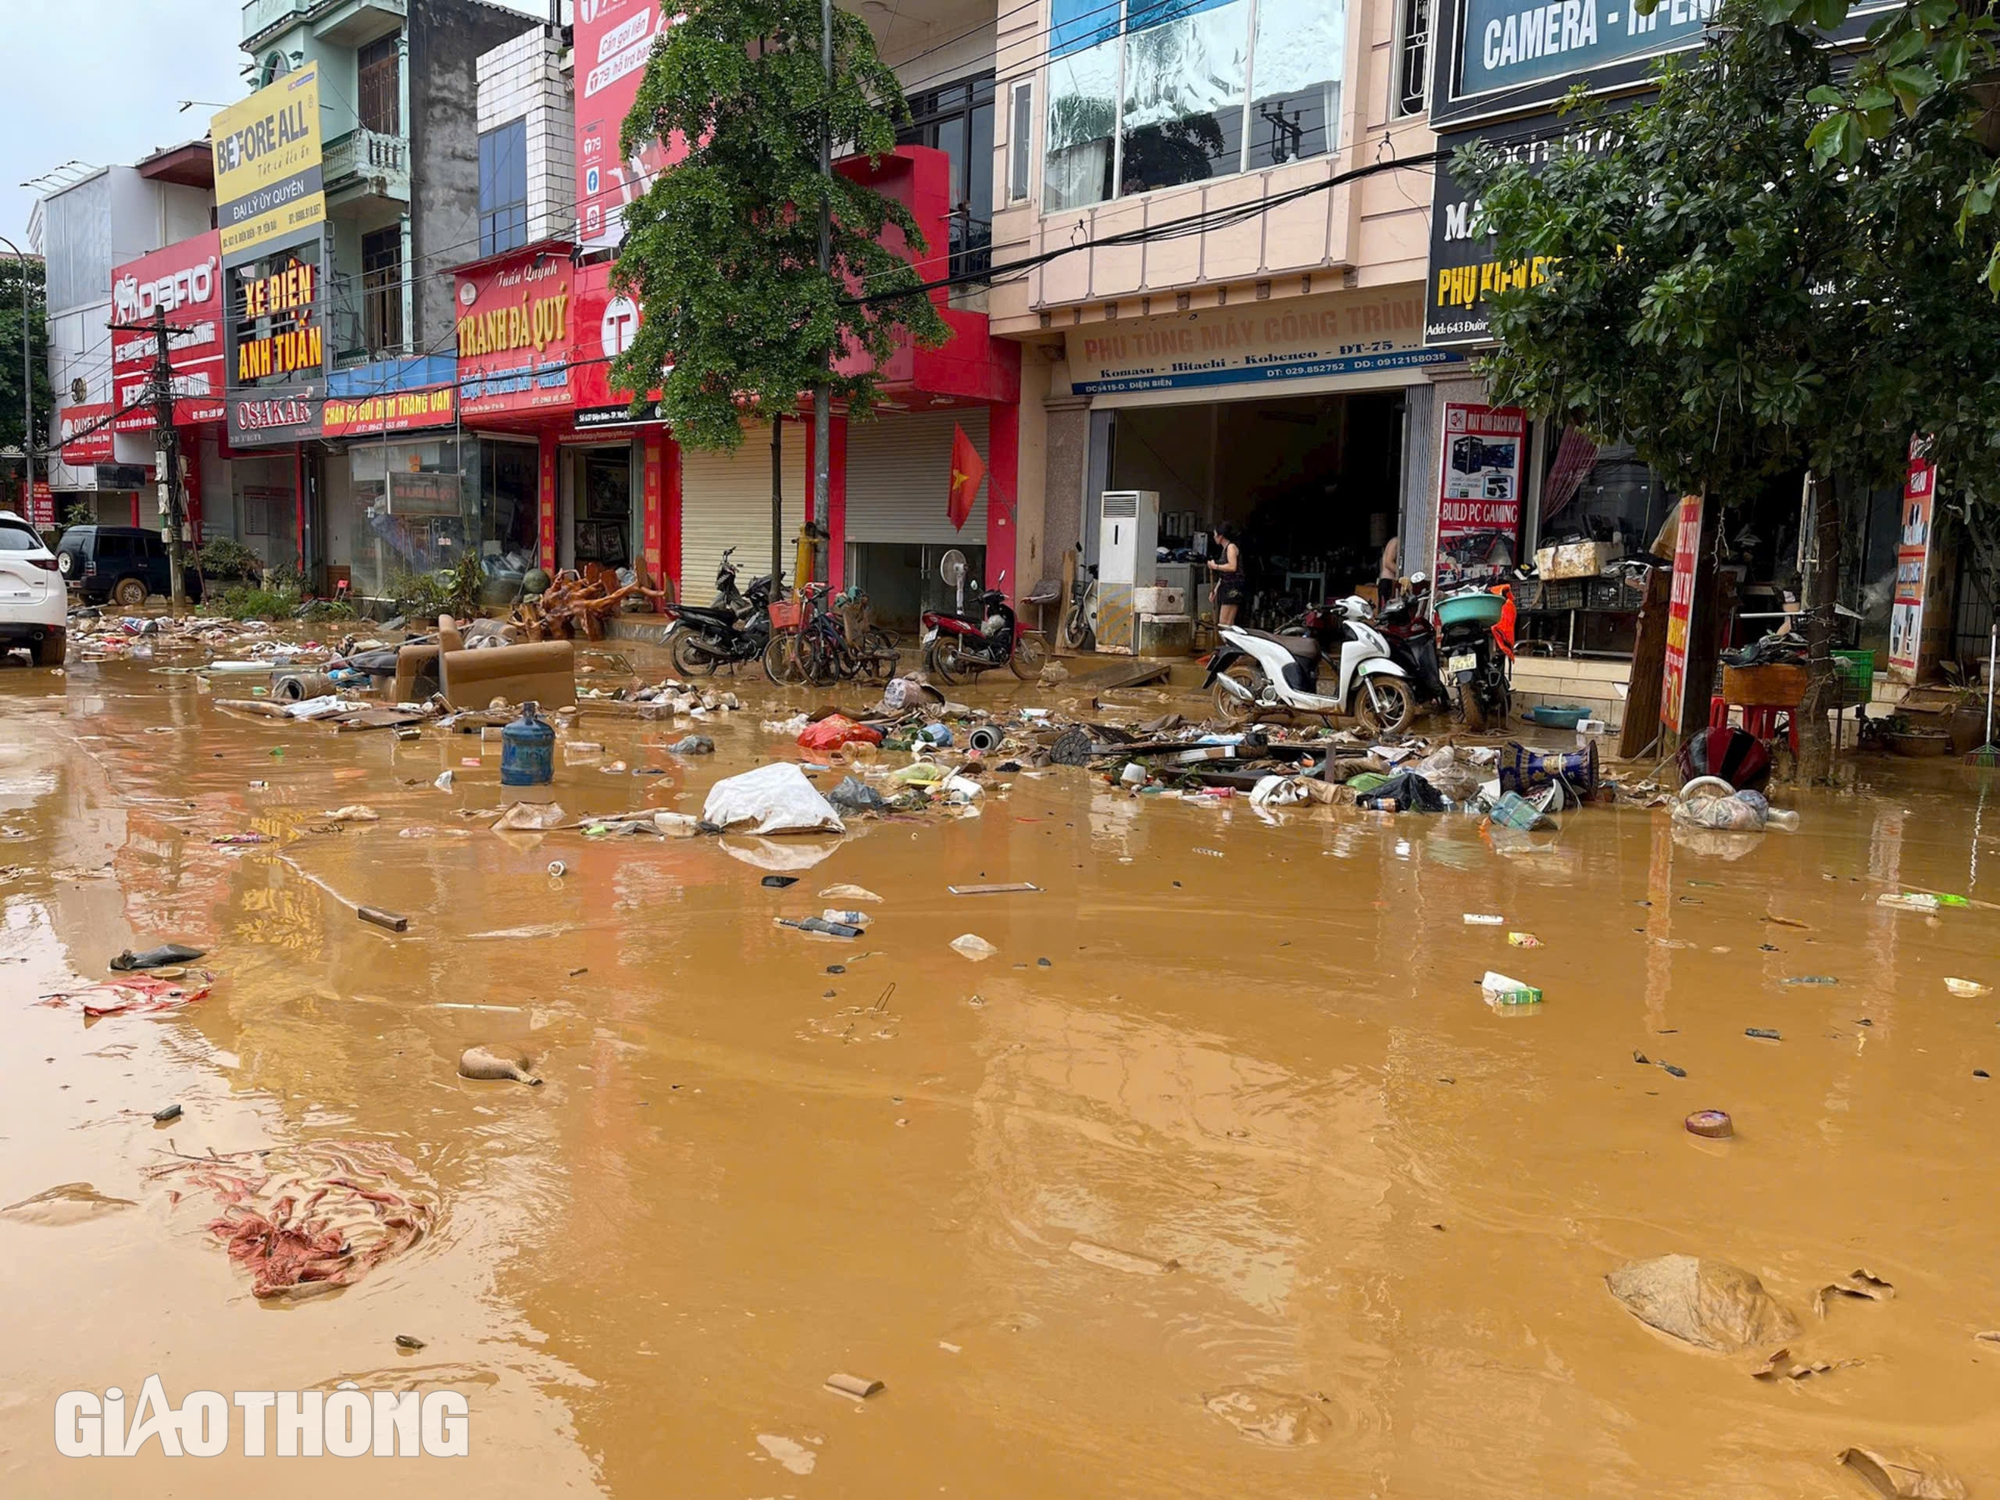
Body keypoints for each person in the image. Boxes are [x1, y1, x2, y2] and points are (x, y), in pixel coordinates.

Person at [1206, 523, 1245, 627]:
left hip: (1233, 587)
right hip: (1226, 586)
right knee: (1227, 624)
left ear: (1221, 536)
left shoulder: (1231, 547)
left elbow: (1232, 567)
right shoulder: (1224, 549)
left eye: (1215, 534)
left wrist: (1215, 567)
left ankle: (1228, 643)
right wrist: (1215, 590)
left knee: (1224, 624)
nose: (1214, 537)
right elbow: (1224, 575)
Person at [1378, 533, 1401, 602]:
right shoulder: (1395, 541)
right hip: (1388, 581)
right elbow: (1388, 563)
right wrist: (1401, 573)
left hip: (1388, 582)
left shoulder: (1395, 541)